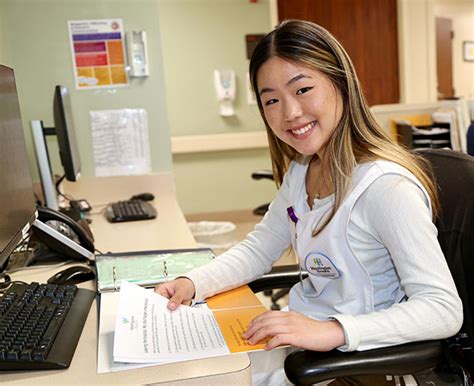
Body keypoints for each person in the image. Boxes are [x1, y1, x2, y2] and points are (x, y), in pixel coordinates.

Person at [155, 20, 462, 385]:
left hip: (356, 364)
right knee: (183, 370)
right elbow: (259, 249)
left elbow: (442, 310)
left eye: (302, 89)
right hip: (303, 344)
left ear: (341, 84)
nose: (289, 113)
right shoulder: (302, 171)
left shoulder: (386, 188)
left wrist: (332, 330)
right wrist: (194, 282)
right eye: (271, 100)